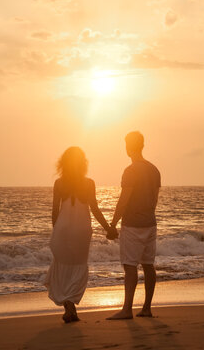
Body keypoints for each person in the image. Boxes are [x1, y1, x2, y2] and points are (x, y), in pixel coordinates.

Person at [45, 147, 117, 323]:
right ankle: (71, 307)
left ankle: (69, 308)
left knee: (62, 266)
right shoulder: (89, 183)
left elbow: (55, 212)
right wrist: (109, 228)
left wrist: (55, 231)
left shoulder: (59, 183)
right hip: (82, 230)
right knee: (78, 266)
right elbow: (95, 209)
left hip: (63, 230)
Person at [107, 131, 161, 320]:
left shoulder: (130, 171)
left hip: (132, 224)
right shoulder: (154, 169)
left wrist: (113, 224)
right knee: (148, 265)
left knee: (130, 265)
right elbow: (154, 199)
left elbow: (124, 200)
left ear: (128, 147)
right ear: (143, 145)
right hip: (150, 222)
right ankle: (146, 308)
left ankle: (127, 309)